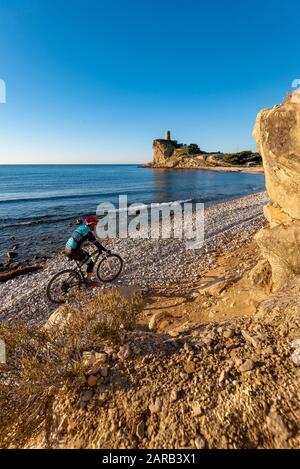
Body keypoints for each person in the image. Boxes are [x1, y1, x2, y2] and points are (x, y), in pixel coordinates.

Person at [65, 216, 109, 287]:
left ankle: (74, 273)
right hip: (73, 250)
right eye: (95, 224)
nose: (96, 226)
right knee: (91, 263)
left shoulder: (82, 228)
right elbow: (96, 243)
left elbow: (79, 238)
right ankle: (88, 282)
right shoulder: (88, 232)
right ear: (92, 225)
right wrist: (105, 250)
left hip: (67, 247)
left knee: (86, 255)